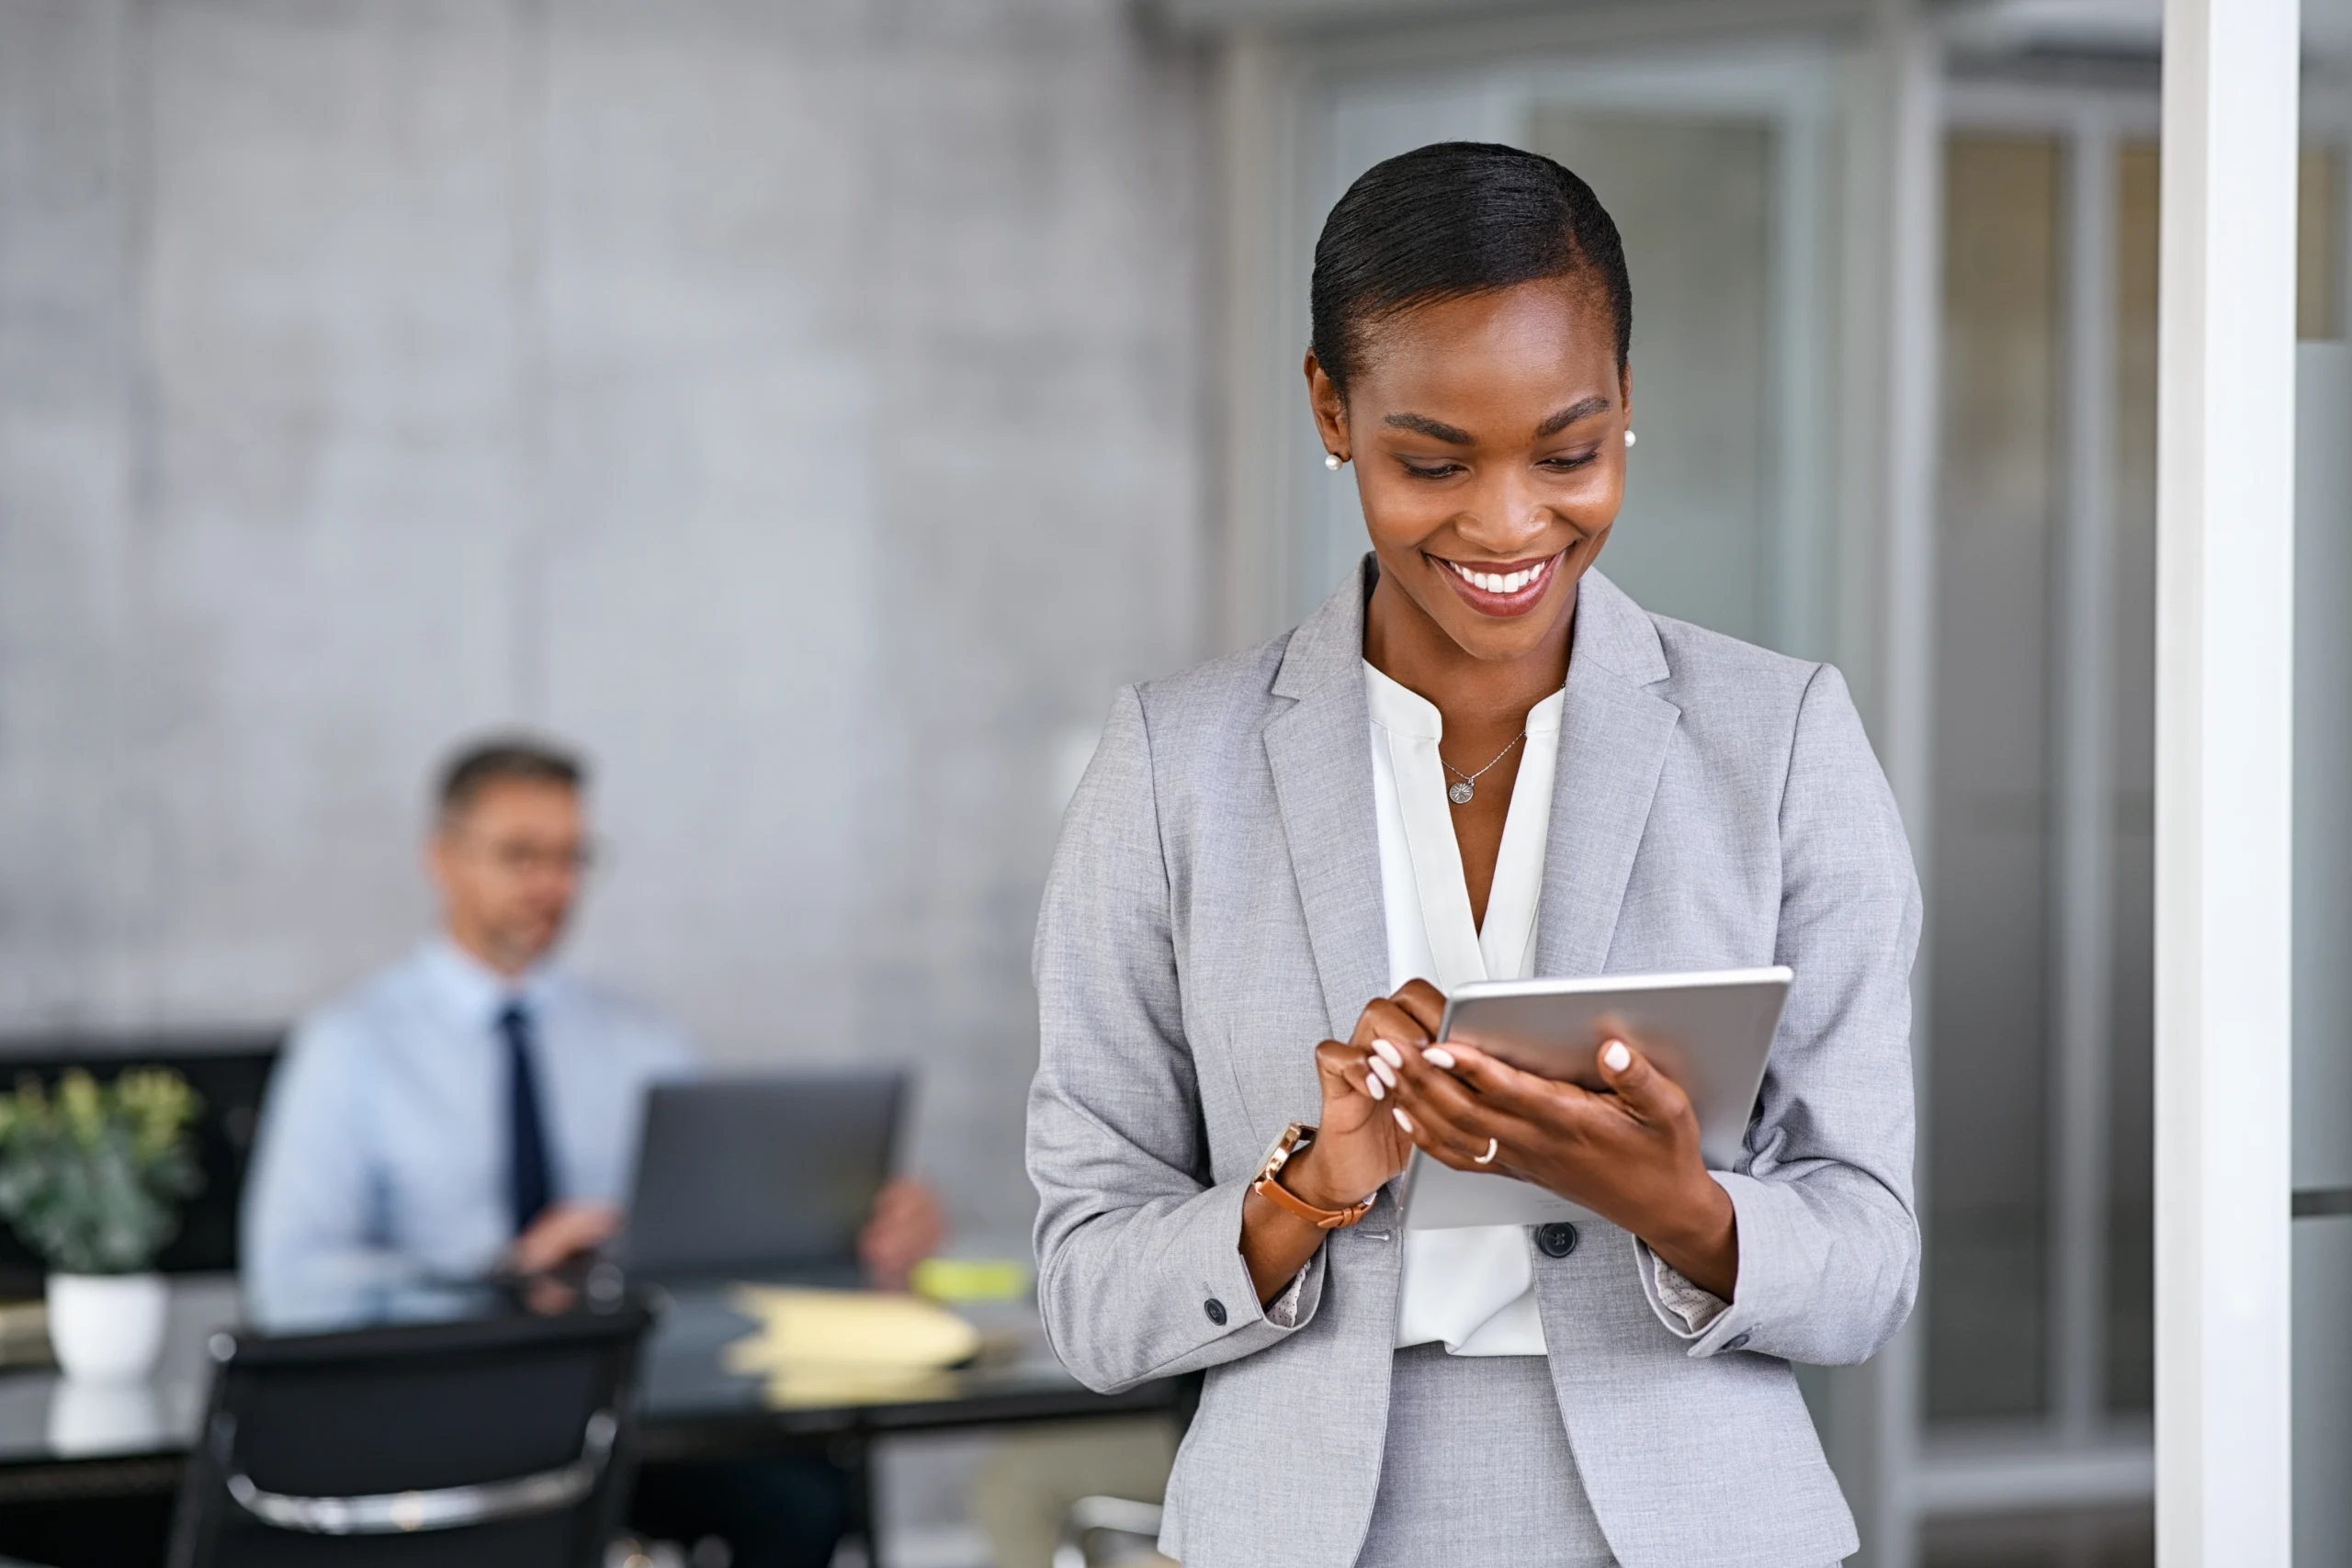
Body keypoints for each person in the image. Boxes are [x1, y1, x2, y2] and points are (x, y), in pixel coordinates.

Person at [1026, 142, 1920, 1568]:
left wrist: (1681, 1207)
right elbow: (1085, 1288)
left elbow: (1869, 1259)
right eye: (1433, 461)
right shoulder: (1171, 765)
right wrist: (1304, 1186)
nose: (1508, 523)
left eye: (1567, 451)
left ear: (1626, 403)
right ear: (1331, 408)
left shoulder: (1784, 741)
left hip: (1694, 1525)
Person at [243, 736, 944, 1566]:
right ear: (443, 857)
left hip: (629, 1415)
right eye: (521, 856)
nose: (553, 886)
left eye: (573, 858)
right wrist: (504, 1270)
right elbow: (288, 1282)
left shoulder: (642, 1042)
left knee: (799, 1500)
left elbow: (717, 1249)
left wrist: (850, 1234)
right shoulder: (350, 1047)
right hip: (438, 1421)